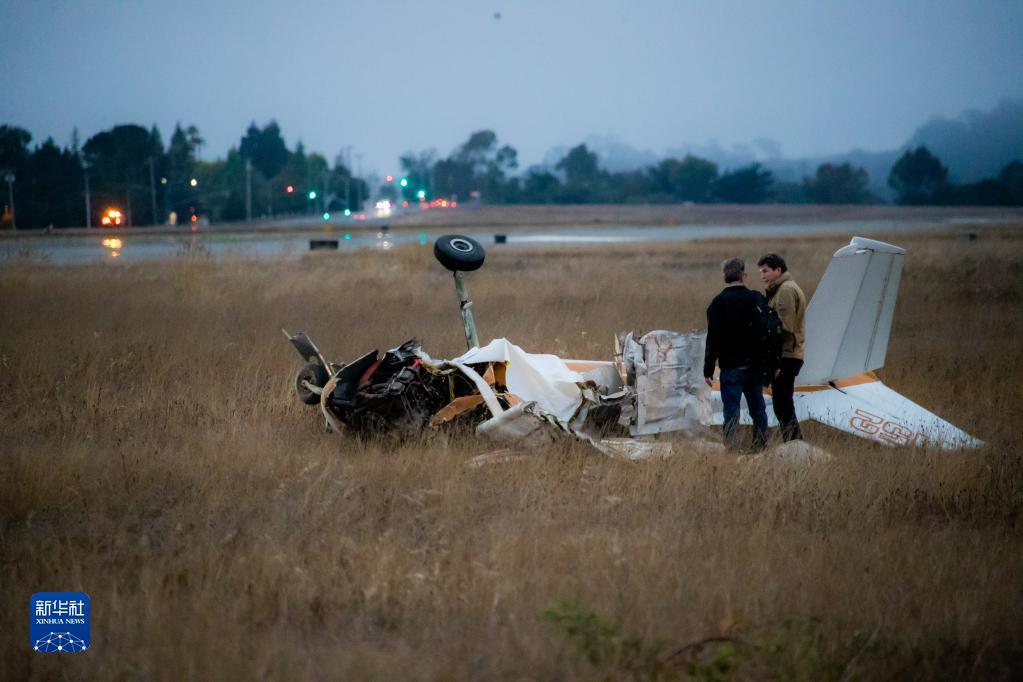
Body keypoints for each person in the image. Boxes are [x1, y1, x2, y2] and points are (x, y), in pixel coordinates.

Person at [703, 257, 768, 451]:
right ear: (742, 275)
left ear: (725, 277)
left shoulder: (718, 302)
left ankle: (731, 448)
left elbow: (712, 338)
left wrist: (708, 368)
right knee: (758, 408)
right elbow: (767, 332)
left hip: (730, 366)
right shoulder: (756, 298)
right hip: (755, 365)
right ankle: (760, 446)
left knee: (731, 411)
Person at [758, 253, 806, 441]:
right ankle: (793, 440)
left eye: (766, 271)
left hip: (786, 355)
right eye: (761, 271)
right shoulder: (781, 289)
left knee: (782, 403)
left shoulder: (785, 290)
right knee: (782, 402)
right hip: (787, 354)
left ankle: (794, 442)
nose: (762, 275)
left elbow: (785, 327)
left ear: (778, 270)